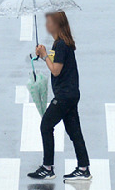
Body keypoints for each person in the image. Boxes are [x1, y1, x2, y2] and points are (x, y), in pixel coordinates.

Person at [27, 11, 91, 181]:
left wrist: (44, 55)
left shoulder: (61, 45)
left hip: (64, 96)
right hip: (70, 94)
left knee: (46, 126)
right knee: (74, 131)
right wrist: (45, 55)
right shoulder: (61, 43)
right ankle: (83, 168)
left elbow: (56, 71)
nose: (46, 25)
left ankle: (48, 167)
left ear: (57, 24)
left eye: (49, 22)